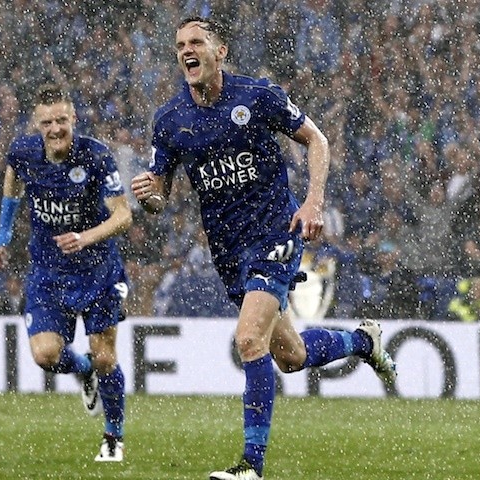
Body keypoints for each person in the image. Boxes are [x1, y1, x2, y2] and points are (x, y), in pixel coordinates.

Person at [131, 17, 396, 480]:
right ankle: (362, 341)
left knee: (248, 339)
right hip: (229, 252)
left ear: (221, 51)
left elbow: (317, 139)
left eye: (196, 42)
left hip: (275, 232)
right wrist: (148, 196)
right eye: (180, 45)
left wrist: (313, 201)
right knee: (289, 357)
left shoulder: (258, 96)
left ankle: (250, 466)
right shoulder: (170, 122)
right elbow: (160, 198)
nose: (186, 51)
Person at [0, 83, 132, 462]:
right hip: (49, 272)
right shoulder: (23, 152)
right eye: (47, 122)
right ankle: (81, 370)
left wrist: (86, 237)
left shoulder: (96, 156)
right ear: (37, 125)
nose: (55, 129)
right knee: (45, 354)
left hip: (99, 269)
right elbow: (13, 178)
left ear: (74, 119)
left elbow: (123, 215)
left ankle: (113, 437)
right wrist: (3, 232)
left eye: (62, 121)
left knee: (106, 357)